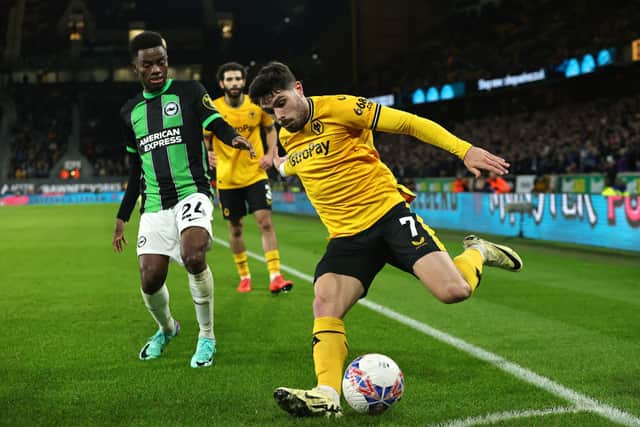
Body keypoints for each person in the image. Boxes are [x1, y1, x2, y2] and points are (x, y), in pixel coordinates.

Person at [248, 62, 523, 417]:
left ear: (298, 88)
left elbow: (408, 123)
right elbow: (295, 164)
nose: (278, 115)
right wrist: (275, 166)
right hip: (347, 238)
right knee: (325, 302)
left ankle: (478, 251)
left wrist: (463, 149)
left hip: (388, 216)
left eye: (281, 103)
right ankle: (326, 393)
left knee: (454, 292)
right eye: (270, 111)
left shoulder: (342, 107)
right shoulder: (287, 136)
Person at [112, 31, 254, 368]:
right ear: (136, 67)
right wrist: (122, 216)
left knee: (193, 256)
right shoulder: (129, 112)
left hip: (192, 192)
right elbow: (136, 170)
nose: (157, 68)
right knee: (149, 278)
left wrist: (233, 137)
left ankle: (207, 336)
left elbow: (215, 122)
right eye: (149, 64)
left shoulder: (190, 91)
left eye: (161, 61)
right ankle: (168, 327)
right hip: (154, 204)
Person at [204, 62, 293, 294]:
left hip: (255, 174)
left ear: (243, 82)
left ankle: (276, 275)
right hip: (227, 178)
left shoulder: (255, 106)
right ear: (222, 83)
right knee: (236, 229)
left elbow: (271, 128)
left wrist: (271, 153)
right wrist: (208, 153)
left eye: (237, 79)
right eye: (229, 79)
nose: (234, 83)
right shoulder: (213, 108)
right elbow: (205, 136)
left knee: (265, 221)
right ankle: (244, 276)